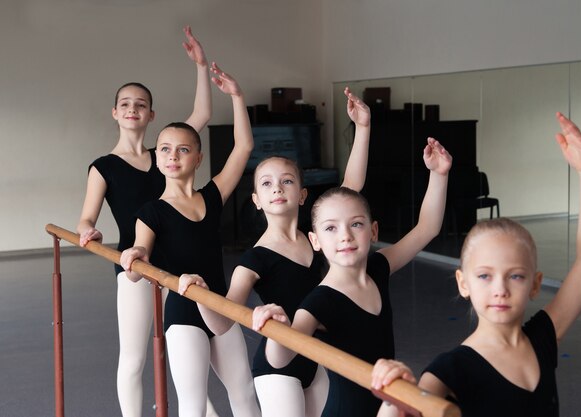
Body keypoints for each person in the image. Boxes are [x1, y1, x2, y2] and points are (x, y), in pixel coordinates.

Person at [371, 112, 581, 417]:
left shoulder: (542, 339)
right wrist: (394, 399)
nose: (500, 290)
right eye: (484, 276)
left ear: (535, 283)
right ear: (463, 282)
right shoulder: (447, 373)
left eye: (516, 276)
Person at [179, 87, 372, 417]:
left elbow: (350, 187)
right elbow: (224, 322)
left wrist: (363, 128)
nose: (277, 188)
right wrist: (199, 295)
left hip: (317, 357)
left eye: (286, 181)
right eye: (266, 184)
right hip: (277, 366)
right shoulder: (256, 258)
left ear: (302, 194)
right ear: (256, 200)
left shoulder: (318, 237)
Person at [251, 137, 452, 417]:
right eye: (331, 228)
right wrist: (277, 327)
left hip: (385, 406)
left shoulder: (377, 269)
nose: (345, 235)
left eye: (355, 224)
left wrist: (439, 174)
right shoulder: (319, 300)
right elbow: (281, 357)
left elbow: (427, 228)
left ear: (373, 231)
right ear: (315, 240)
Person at [75, 26, 216, 417]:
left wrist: (201, 66)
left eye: (141, 104)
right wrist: (88, 229)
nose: (133, 109)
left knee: (187, 351)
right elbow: (87, 215)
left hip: (180, 268)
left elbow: (202, 114)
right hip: (136, 266)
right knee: (134, 356)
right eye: (125, 103)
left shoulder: (167, 154)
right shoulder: (103, 167)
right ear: (116, 112)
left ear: (151, 114)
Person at [119, 66, 261, 417]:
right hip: (183, 314)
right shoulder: (151, 212)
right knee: (193, 405)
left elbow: (243, 147)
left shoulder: (212, 196)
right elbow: (140, 257)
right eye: (165, 149)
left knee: (244, 393)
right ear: (158, 158)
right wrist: (135, 258)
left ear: (198, 157)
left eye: (183, 150)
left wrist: (237, 97)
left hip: (221, 307)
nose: (172, 155)